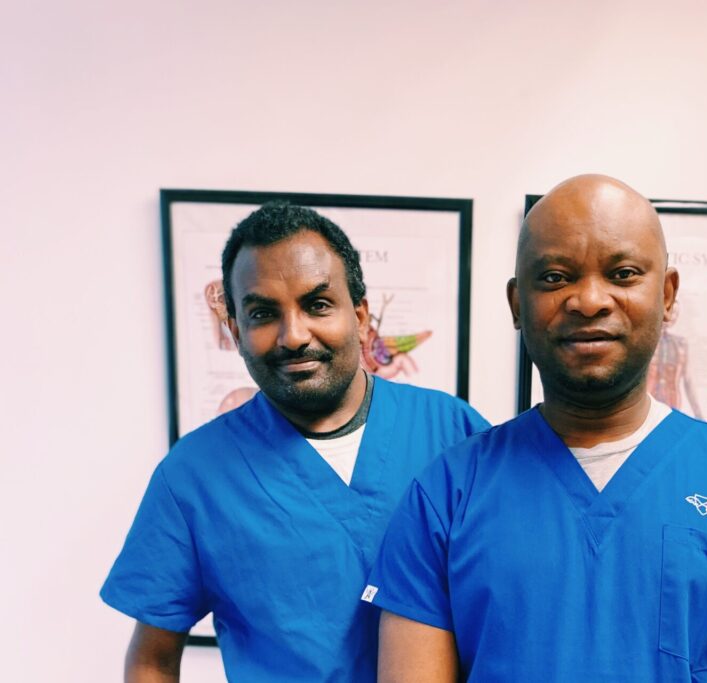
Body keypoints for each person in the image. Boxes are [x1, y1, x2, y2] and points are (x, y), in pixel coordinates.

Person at [365, 175, 707, 682]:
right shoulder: (447, 495)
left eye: (623, 273)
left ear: (667, 295)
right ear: (517, 304)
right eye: (555, 277)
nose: (589, 300)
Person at [101, 203, 488, 682]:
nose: (294, 335)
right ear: (236, 330)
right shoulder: (193, 476)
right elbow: (152, 660)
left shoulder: (453, 432)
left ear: (362, 317)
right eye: (263, 313)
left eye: (318, 304)